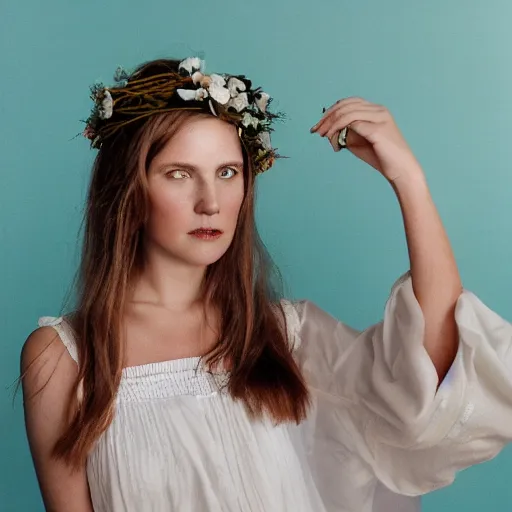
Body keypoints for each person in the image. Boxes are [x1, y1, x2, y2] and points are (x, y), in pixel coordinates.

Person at [20, 57, 512, 512]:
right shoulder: (64, 357)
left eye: (227, 172)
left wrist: (408, 179)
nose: (210, 201)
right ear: (129, 190)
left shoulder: (285, 336)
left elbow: (434, 372)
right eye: (179, 174)